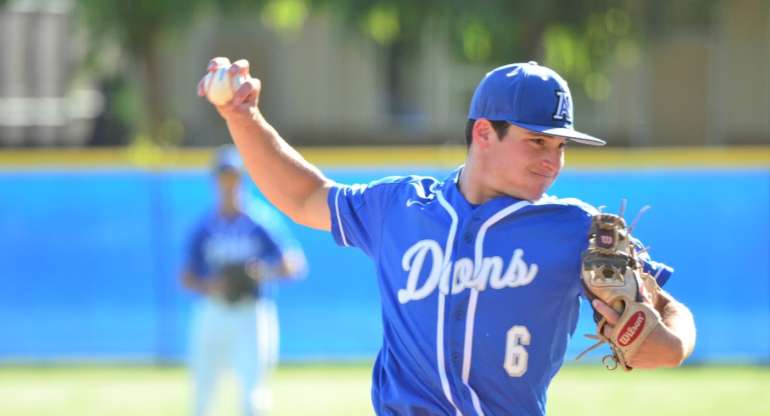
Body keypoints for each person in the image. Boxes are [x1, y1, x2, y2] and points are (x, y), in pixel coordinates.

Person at [198, 58, 696, 416]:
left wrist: (669, 344)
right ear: (483, 133)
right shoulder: (400, 207)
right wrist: (242, 116)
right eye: (536, 141)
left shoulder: (576, 228)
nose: (553, 159)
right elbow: (306, 196)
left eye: (561, 145)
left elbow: (673, 314)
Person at [180, 145, 306, 416]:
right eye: (223, 177)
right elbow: (186, 276)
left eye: (233, 176)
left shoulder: (260, 221)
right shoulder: (205, 226)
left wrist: (264, 273)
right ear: (215, 181)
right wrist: (210, 285)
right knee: (203, 393)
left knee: (253, 395)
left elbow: (294, 264)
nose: (228, 183)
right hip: (214, 311)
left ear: (242, 179)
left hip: (252, 312)